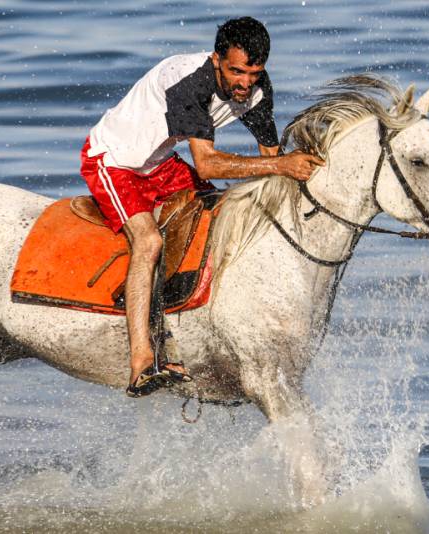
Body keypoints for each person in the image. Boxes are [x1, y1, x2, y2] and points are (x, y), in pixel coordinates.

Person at [79, 16, 324, 397]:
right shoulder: (192, 82)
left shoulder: (258, 90)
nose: (245, 83)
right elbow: (208, 164)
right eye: (236, 71)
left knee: (218, 213)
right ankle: (141, 361)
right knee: (148, 243)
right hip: (113, 161)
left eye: (254, 73)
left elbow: (271, 157)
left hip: (160, 164)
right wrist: (281, 166)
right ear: (216, 61)